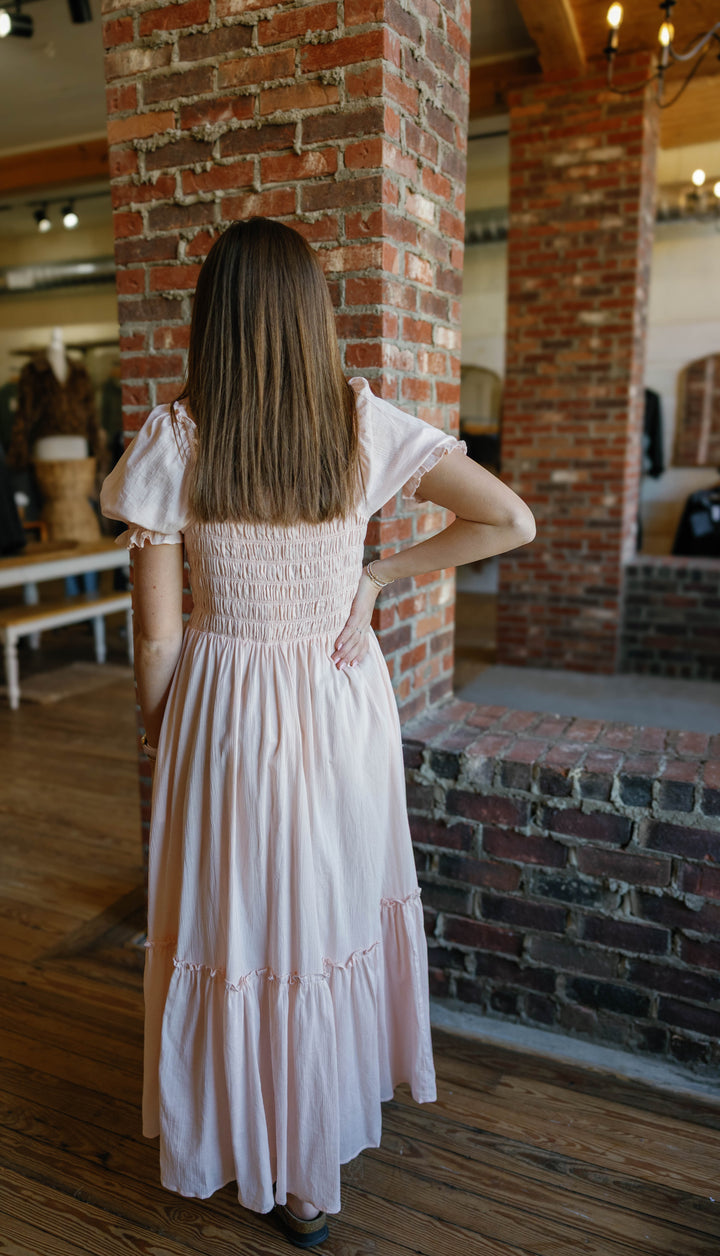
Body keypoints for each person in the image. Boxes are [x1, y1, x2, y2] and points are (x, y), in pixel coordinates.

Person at [100, 217, 535, 1249]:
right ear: (311, 316)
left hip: (225, 709)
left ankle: (255, 1140)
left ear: (211, 317)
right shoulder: (361, 423)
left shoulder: (176, 439)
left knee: (241, 924)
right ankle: (310, 1173)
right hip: (340, 700)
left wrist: (167, 737)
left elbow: (157, 638)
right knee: (327, 913)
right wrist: (377, 574)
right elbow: (508, 519)